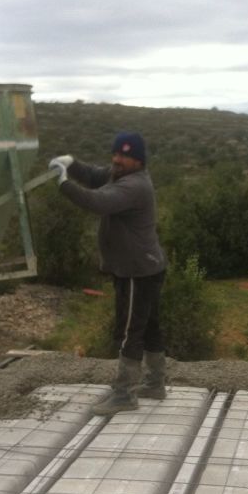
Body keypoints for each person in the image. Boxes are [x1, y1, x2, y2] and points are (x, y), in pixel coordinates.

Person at [49, 132, 167, 416]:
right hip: (145, 267)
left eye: (124, 156)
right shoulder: (118, 175)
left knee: (129, 332)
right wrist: (72, 164)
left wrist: (64, 183)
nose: (117, 160)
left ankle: (125, 395)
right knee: (148, 327)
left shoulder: (134, 185)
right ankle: (154, 384)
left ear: (138, 161)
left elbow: (97, 202)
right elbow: (93, 176)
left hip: (137, 271)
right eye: (115, 154)